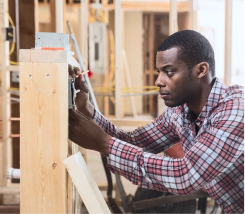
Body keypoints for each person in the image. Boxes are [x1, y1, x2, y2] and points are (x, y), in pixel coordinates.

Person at [68, 30, 244, 213]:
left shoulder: (236, 110)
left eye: (169, 72)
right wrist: (88, 110)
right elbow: (133, 142)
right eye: (159, 72)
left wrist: (104, 144)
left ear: (201, 70)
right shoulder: (179, 113)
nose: (158, 81)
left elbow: (187, 176)